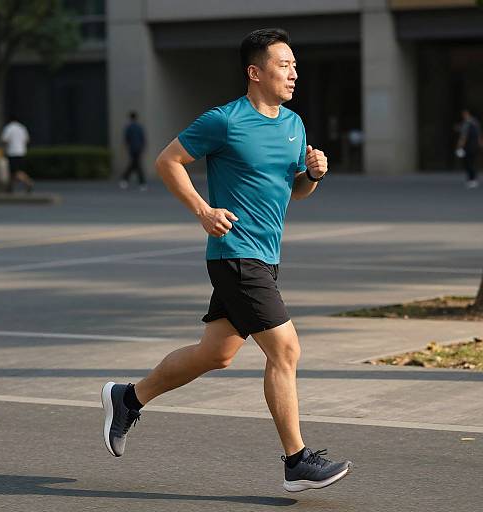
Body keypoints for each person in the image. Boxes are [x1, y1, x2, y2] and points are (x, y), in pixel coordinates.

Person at [101, 28, 352, 492]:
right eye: (284, 64)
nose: (294, 73)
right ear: (255, 72)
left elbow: (293, 190)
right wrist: (203, 210)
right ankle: (296, 461)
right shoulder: (224, 121)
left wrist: (313, 175)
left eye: (295, 64)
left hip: (265, 256)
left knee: (215, 353)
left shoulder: (294, 125)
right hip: (236, 255)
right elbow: (167, 161)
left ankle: (128, 398)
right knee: (286, 349)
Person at [1, 116, 34, 193]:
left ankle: (28, 182)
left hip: (12, 152)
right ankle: (10, 188)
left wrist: (4, 149)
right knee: (13, 172)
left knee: (16, 171)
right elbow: (27, 140)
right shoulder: (22, 128)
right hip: (22, 152)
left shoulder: (9, 128)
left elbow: (4, 140)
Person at [119, 111, 147, 191]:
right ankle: (141, 183)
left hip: (132, 149)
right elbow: (143, 138)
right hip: (139, 148)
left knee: (134, 165)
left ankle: (125, 179)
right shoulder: (139, 127)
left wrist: (127, 147)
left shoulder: (129, 127)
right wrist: (142, 147)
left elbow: (126, 139)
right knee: (136, 165)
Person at [456, 108, 482, 189]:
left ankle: (471, 179)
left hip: (469, 146)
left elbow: (464, 136)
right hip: (475, 146)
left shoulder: (467, 123)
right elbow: (479, 135)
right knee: (473, 162)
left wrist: (459, 146)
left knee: (469, 163)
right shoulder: (475, 122)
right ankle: (473, 179)